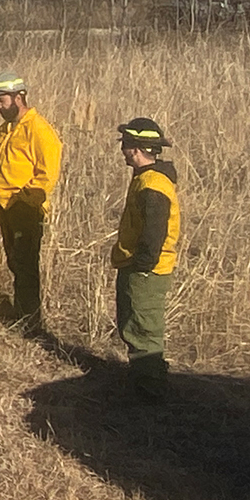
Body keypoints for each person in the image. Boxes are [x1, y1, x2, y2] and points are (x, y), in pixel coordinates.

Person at [0, 71, 62, 334]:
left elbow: (47, 173)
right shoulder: (7, 129)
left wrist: (26, 200)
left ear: (19, 97)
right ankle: (21, 314)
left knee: (27, 266)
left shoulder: (38, 129)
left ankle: (31, 324)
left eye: (2, 100)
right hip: (5, 206)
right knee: (15, 262)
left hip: (25, 209)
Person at [112, 117, 181, 400]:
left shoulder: (153, 185)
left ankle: (149, 390)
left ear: (136, 148)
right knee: (136, 324)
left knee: (145, 329)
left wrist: (141, 266)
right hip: (139, 267)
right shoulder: (147, 178)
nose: (122, 150)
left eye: (126, 144)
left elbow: (154, 234)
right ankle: (144, 379)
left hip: (147, 271)